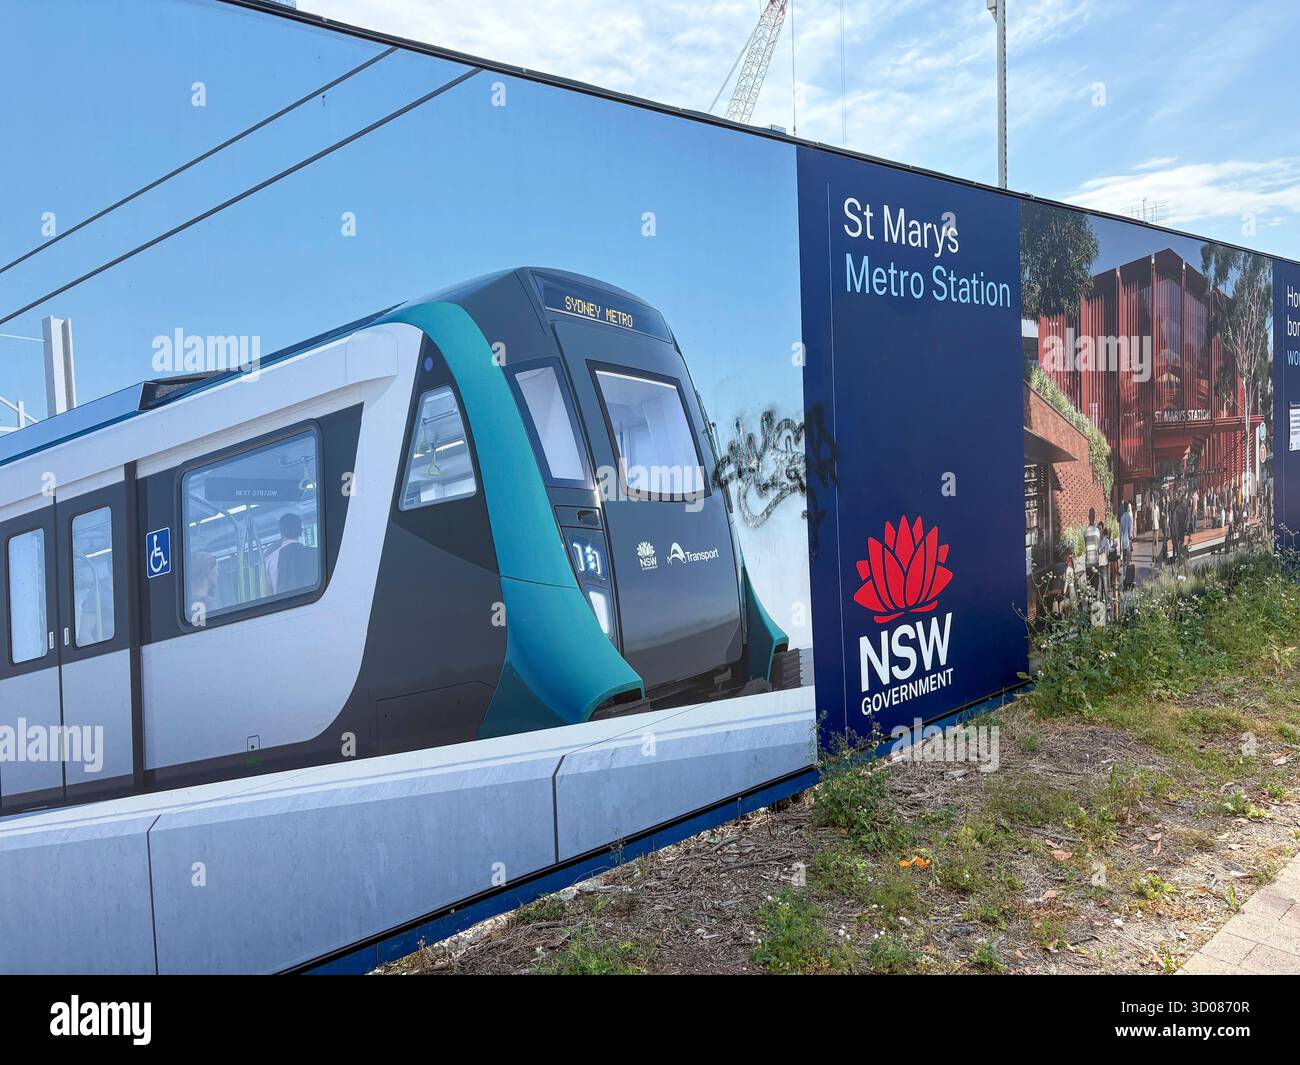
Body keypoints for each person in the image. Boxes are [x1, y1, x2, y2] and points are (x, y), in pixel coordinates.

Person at [268, 512, 316, 594]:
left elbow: (267, 591)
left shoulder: (270, 559)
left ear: (281, 532)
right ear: (301, 531)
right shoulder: (315, 554)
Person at [1084, 508, 1101, 591]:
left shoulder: (1086, 531)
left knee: (1089, 587)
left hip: (1088, 562)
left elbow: (1085, 545)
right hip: (1095, 562)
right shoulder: (1097, 531)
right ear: (1094, 517)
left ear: (1088, 517)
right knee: (1096, 587)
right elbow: (1099, 547)